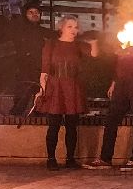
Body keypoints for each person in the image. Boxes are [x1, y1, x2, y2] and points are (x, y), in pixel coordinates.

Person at [37, 15, 97, 170]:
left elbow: (94, 54)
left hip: (72, 85)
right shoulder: (51, 44)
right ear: (61, 28)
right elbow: (44, 70)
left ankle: (70, 158)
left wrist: (94, 43)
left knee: (71, 125)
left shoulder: (78, 45)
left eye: (76, 27)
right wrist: (43, 89)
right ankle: (51, 159)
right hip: (55, 85)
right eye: (70, 26)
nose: (74, 30)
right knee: (54, 124)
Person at [87, 37, 133, 169]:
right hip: (122, 85)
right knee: (111, 120)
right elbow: (119, 64)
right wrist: (114, 83)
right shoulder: (126, 38)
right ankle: (105, 159)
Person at [10, 3, 50, 115]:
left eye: (37, 12)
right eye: (31, 13)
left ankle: (39, 116)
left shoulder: (42, 31)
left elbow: (57, 36)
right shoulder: (19, 30)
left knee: (40, 92)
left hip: (39, 67)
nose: (34, 15)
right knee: (23, 93)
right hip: (24, 67)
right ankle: (15, 116)